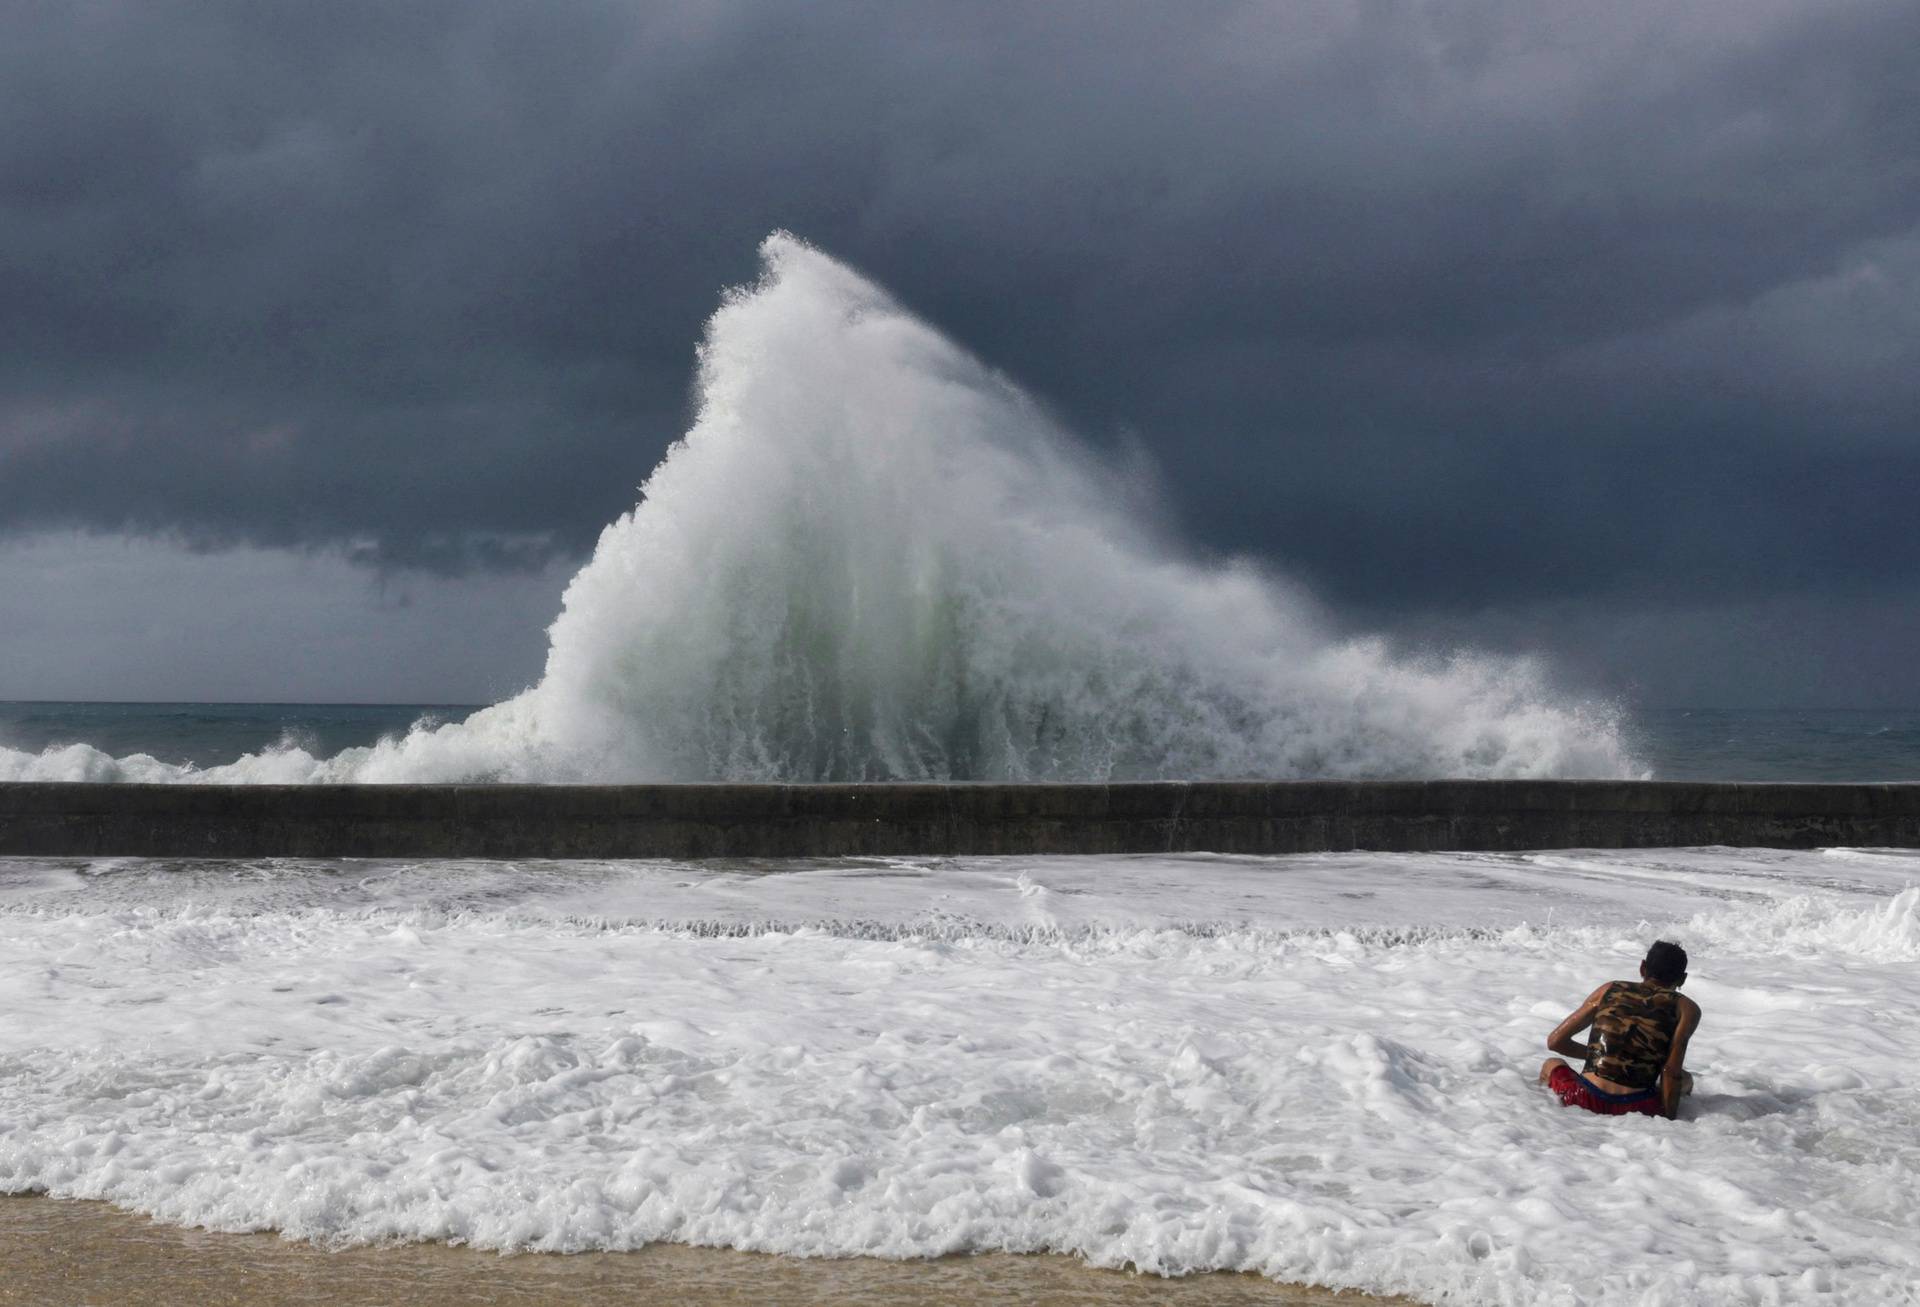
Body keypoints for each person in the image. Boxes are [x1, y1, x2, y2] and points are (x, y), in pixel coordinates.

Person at [1538, 940, 1699, 1120]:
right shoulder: (1686, 1008)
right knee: (1686, 1080)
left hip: (1583, 1098)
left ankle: (1546, 1117)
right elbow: (1671, 1071)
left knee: (1551, 1063)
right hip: (1639, 1107)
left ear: (1642, 967)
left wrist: (1600, 1055)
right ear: (1682, 979)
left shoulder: (1610, 989)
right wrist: (1669, 1119)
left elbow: (1555, 1042)